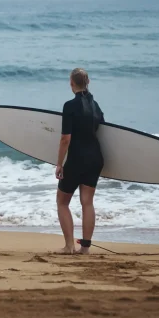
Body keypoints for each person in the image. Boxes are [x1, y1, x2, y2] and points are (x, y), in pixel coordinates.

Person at [55, 68, 105, 254]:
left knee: (62, 202)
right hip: (95, 158)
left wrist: (59, 163)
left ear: (71, 83)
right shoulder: (96, 105)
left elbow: (65, 139)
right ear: (88, 82)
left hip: (76, 159)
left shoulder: (69, 106)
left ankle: (69, 246)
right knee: (87, 202)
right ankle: (85, 248)